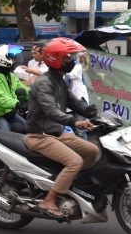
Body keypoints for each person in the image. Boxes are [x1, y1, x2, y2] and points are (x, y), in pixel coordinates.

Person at [24, 37, 100, 219]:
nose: (71, 61)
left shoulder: (60, 80)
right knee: (75, 161)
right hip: (39, 136)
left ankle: (67, 184)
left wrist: (91, 112)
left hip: (56, 133)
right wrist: (74, 121)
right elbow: (50, 110)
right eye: (67, 58)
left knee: (92, 151)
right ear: (54, 59)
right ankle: (48, 200)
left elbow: (74, 103)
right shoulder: (43, 83)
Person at [0, 45, 28, 132]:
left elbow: (22, 88)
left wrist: (36, 96)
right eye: (11, 58)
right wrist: (16, 104)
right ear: (2, 59)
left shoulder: (10, 75)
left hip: (11, 113)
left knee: (29, 129)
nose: (14, 60)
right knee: (7, 136)